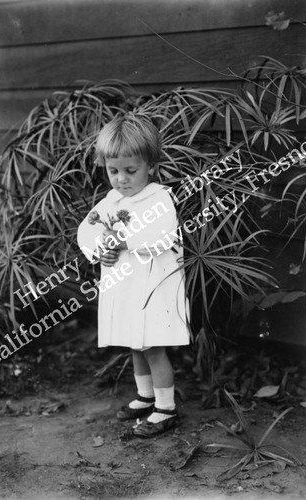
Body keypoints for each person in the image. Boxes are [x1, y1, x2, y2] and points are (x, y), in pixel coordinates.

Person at [77, 112, 190, 437]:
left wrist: (125, 240)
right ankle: (145, 396)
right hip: (125, 287)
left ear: (151, 166)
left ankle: (166, 408)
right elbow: (87, 230)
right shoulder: (110, 200)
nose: (121, 179)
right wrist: (101, 248)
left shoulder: (159, 198)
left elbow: (164, 236)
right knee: (134, 344)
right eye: (113, 171)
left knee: (152, 346)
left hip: (151, 287)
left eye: (130, 170)